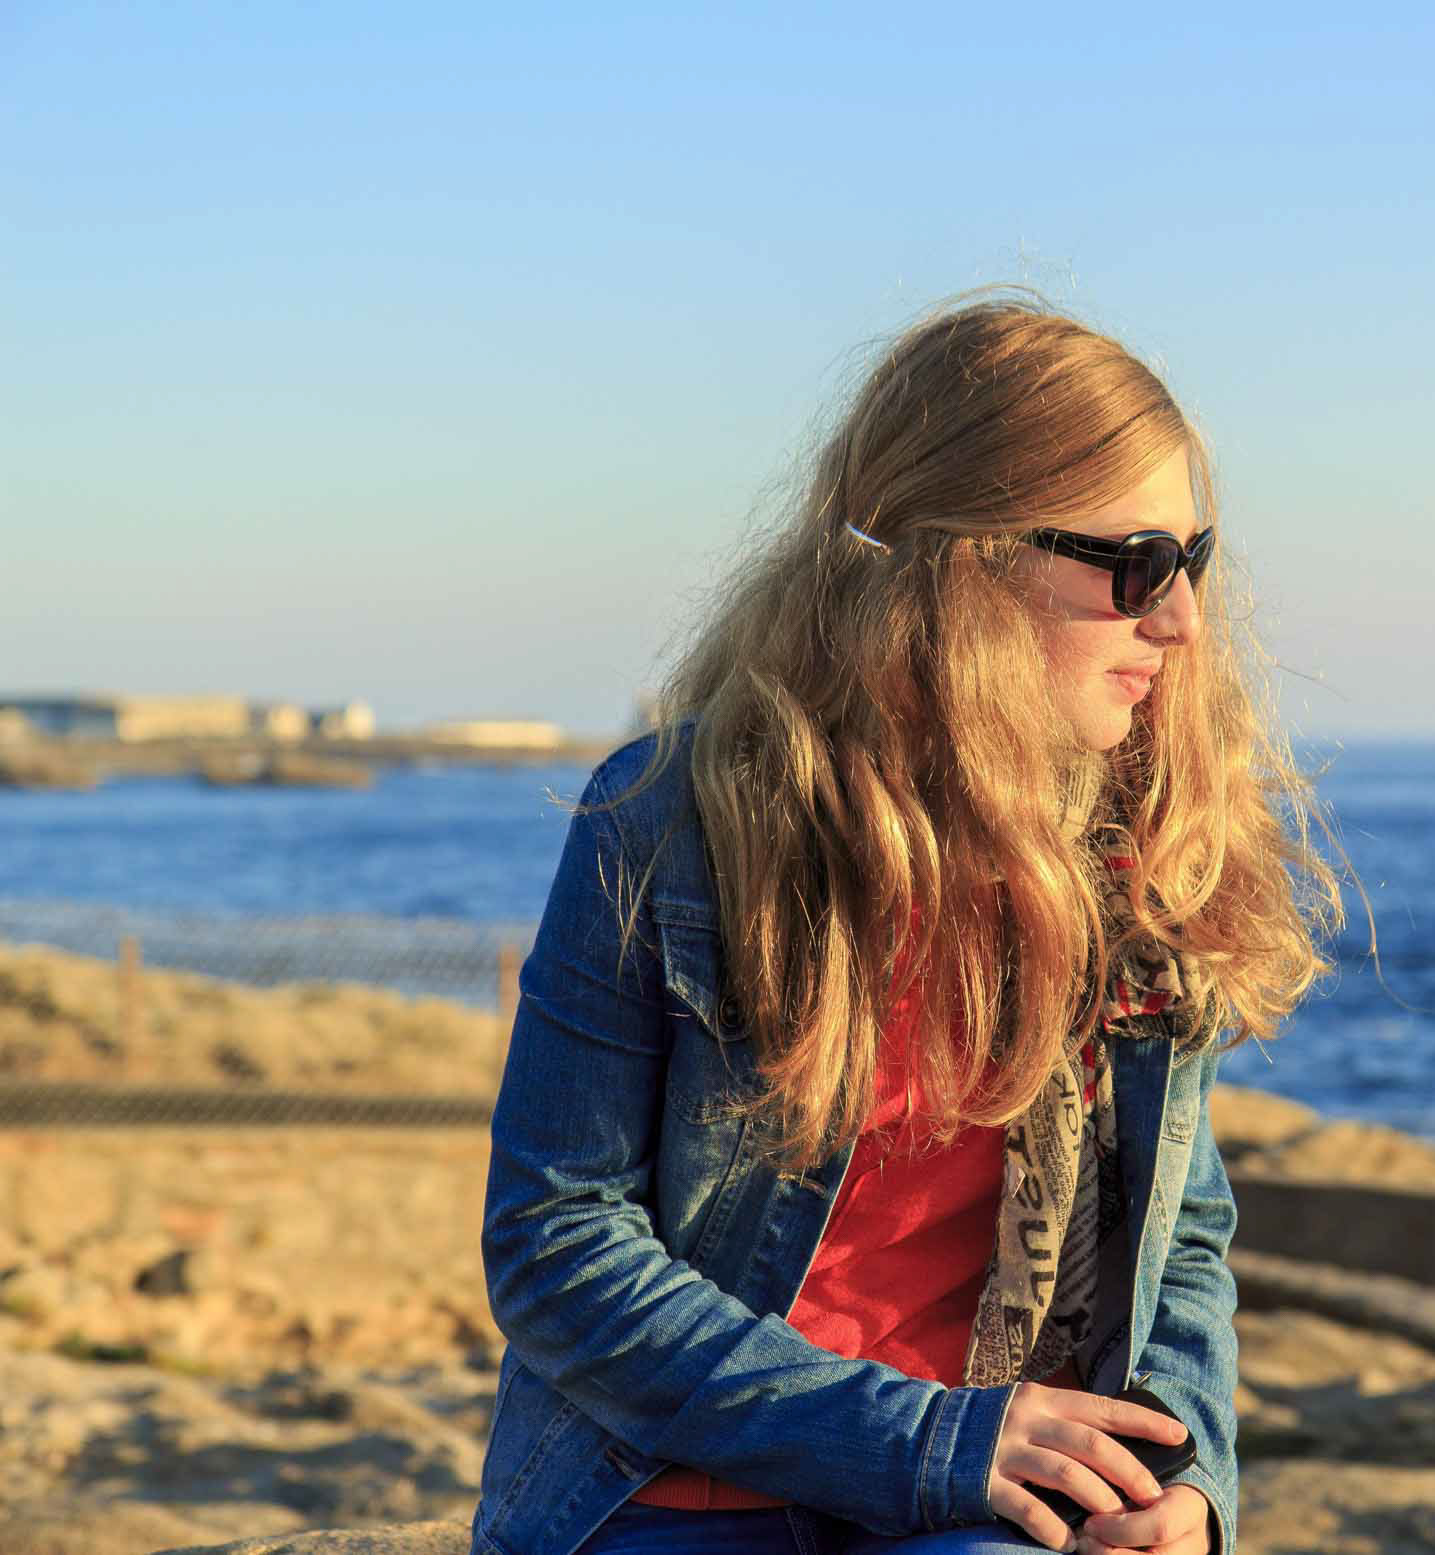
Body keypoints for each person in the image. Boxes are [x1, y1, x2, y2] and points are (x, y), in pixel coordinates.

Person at [470, 291, 1346, 1555]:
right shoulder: (674, 824)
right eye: (1134, 565)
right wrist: (926, 1444)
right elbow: (555, 1246)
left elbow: (1181, 1230)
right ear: (961, 561)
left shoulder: (1137, 856)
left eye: (1192, 560)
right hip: (665, 1495)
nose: (1181, 620)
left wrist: (1184, 1476)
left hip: (979, 1499)